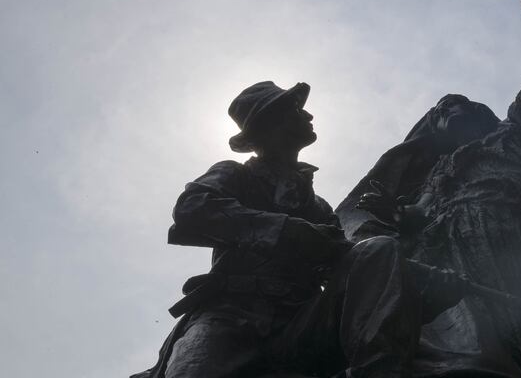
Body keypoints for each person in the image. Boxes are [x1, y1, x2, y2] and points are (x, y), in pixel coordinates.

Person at [336, 0, 521, 377]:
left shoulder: (516, 128)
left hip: (520, 255)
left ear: (481, 111)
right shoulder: (439, 173)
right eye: (442, 110)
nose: (449, 111)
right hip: (453, 263)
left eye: (457, 103)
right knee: (469, 356)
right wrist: (395, 218)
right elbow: (414, 220)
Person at [133, 81, 426, 378]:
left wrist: (427, 270)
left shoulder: (318, 207)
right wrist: (286, 230)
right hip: (232, 318)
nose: (309, 116)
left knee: (378, 249)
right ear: (271, 123)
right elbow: (192, 208)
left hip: (301, 326)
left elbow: (347, 263)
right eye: (296, 110)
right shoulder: (236, 175)